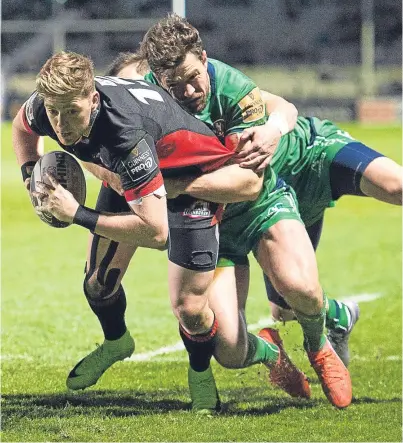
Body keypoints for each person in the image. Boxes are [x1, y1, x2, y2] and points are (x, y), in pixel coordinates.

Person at [12, 51, 314, 410]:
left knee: (190, 308)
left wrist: (77, 213)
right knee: (98, 282)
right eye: (53, 112)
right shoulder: (52, 100)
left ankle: (205, 369)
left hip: (192, 180)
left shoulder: (126, 135)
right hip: (132, 177)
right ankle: (116, 342)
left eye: (71, 113)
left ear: (93, 100)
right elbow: (21, 127)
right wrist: (30, 176)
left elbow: (156, 233)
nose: (60, 125)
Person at [139, 14, 354, 410]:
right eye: (174, 85)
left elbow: (249, 183)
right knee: (230, 351)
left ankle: (318, 344)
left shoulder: (235, 90)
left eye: (192, 76)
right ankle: (271, 354)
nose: (187, 91)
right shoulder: (146, 103)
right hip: (206, 227)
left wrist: (176, 186)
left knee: (302, 289)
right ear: (157, 79)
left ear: (203, 58)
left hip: (260, 207)